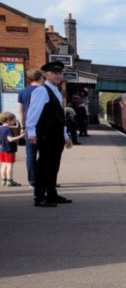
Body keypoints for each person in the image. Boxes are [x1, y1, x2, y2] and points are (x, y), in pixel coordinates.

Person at [26, 61, 73, 207]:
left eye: (60, 73)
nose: (58, 75)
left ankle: (52, 194)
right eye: (55, 73)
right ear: (46, 75)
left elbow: (60, 116)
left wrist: (65, 135)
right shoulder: (42, 90)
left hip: (56, 135)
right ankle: (39, 197)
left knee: (53, 166)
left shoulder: (56, 91)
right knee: (44, 166)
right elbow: (33, 113)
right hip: (46, 134)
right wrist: (31, 132)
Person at [17, 68, 44, 187]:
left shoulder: (23, 92)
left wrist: (23, 127)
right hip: (43, 127)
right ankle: (45, 179)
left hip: (29, 127)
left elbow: (20, 112)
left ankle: (32, 181)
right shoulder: (43, 91)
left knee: (31, 155)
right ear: (41, 77)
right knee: (46, 155)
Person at [0, 111, 26, 186]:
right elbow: (10, 139)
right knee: (9, 165)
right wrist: (21, 137)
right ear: (8, 120)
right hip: (9, 150)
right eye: (14, 120)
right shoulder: (8, 130)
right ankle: (9, 180)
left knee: (3, 165)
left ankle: (3, 180)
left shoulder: (1, 128)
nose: (15, 121)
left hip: (2, 149)